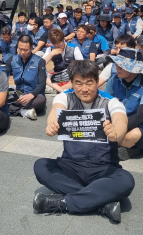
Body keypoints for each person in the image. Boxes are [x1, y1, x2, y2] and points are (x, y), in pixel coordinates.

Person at [33, 60, 133, 223]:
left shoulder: (111, 102)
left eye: (89, 83)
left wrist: (116, 133)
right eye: (78, 83)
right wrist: (52, 125)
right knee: (41, 166)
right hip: (71, 165)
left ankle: (63, 202)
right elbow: (56, 111)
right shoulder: (65, 97)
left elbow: (121, 120)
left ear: (97, 81)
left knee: (126, 181)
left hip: (103, 168)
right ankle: (101, 203)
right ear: (71, 83)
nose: (84, 89)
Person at [104, 49, 143, 161]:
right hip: (121, 126)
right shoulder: (114, 80)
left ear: (135, 70)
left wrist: (116, 129)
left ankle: (107, 146)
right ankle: (127, 147)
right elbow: (104, 104)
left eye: (122, 65)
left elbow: (140, 117)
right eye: (117, 64)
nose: (118, 67)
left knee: (135, 134)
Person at [5, 35, 47, 120]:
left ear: (31, 47)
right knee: (1, 99)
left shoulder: (40, 61)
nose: (23, 52)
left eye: (26, 50)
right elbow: (2, 77)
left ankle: (16, 109)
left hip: (34, 96)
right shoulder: (12, 59)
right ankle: (23, 111)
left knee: (41, 100)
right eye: (20, 49)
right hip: (19, 96)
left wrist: (31, 95)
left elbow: (42, 84)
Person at [42, 29, 83, 94]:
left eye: (59, 43)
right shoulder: (51, 49)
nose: (57, 46)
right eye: (55, 44)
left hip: (71, 75)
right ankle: (60, 90)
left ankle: (57, 89)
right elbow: (40, 64)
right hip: (58, 76)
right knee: (42, 74)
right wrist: (51, 54)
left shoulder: (74, 48)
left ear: (64, 39)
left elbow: (82, 66)